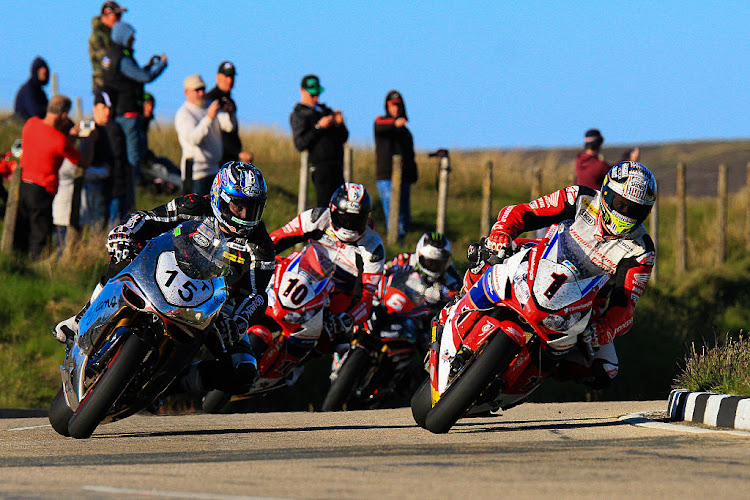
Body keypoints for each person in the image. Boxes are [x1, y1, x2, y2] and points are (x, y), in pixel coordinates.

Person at [53, 161, 276, 395]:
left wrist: (239, 319)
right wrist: (125, 232)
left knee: (244, 371)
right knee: (125, 250)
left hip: (214, 311)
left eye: (253, 208)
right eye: (238, 206)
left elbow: (256, 294)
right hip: (163, 273)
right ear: (220, 197)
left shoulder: (261, 246)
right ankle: (82, 317)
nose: (245, 215)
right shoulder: (193, 204)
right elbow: (147, 218)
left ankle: (173, 385)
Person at [468, 161, 657, 389]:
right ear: (606, 193)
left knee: (607, 369)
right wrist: (502, 231)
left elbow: (625, 305)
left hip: (584, 303)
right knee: (487, 256)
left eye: (634, 209)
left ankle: (540, 375)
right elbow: (526, 212)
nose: (624, 213)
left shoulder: (642, 250)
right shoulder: (580, 197)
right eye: (620, 204)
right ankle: (458, 305)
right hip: (542, 261)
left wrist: (606, 328)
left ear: (646, 212)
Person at [257, 183, 385, 372]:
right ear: (333, 211)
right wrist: (259, 254)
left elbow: (366, 297)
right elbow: (279, 237)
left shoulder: (373, 247)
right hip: (302, 273)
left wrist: (348, 318)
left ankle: (299, 367)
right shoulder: (317, 217)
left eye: (356, 220)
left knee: (335, 341)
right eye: (344, 218)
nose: (349, 225)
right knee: (254, 285)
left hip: (338, 293)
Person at [14, 95, 94, 259]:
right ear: (64, 115)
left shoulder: (31, 124)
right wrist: (90, 141)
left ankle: (17, 261)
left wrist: (69, 138)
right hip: (43, 191)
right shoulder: (60, 141)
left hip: (24, 185)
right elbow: (83, 163)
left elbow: (47, 143)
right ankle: (37, 267)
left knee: (21, 230)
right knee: (39, 235)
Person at [102, 20, 167, 209]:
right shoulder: (122, 58)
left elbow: (130, 76)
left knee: (121, 159)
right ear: (123, 37)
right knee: (132, 162)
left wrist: (146, 66)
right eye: (131, 37)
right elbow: (143, 77)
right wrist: (161, 65)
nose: (134, 40)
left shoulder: (111, 56)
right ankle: (130, 203)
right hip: (128, 115)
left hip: (118, 114)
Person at [384, 232, 461, 351]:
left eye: (438, 263)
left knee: (430, 341)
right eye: (430, 262)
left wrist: (444, 300)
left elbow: (458, 300)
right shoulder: (405, 260)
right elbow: (383, 271)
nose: (433, 266)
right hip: (397, 304)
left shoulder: (451, 277)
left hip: (425, 317)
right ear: (420, 255)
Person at [290, 74, 349, 207]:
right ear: (302, 91)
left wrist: (339, 123)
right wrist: (319, 127)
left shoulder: (326, 111)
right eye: (312, 94)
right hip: (320, 167)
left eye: (317, 94)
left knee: (341, 206)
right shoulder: (299, 114)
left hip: (338, 166)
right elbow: (300, 143)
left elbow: (344, 137)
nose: (316, 97)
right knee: (324, 207)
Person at [176, 74, 234, 196]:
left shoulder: (210, 105)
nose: (201, 93)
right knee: (195, 212)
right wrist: (209, 118)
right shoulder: (184, 113)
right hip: (196, 173)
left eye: (203, 89)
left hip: (214, 170)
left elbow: (229, 127)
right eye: (197, 90)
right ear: (186, 92)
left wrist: (229, 112)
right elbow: (193, 139)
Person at [374, 90, 418, 242]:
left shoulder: (405, 132)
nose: (396, 108)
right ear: (387, 106)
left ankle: (399, 246)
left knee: (404, 221)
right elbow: (379, 124)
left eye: (398, 105)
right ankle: (393, 245)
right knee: (394, 218)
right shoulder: (382, 122)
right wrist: (395, 123)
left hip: (404, 179)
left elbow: (410, 155)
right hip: (387, 177)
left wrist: (413, 174)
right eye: (393, 105)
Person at [205, 61, 253, 165]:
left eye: (232, 77)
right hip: (215, 161)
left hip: (230, 160)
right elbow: (219, 134)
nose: (229, 80)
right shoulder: (210, 100)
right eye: (226, 77)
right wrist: (238, 152)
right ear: (217, 77)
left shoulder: (230, 102)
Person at [575, 128, 639, 190]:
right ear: (599, 143)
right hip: (596, 200)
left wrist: (623, 159)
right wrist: (632, 162)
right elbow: (616, 173)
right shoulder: (600, 166)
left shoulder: (579, 159)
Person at [89, 1, 127, 92]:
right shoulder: (98, 36)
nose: (120, 19)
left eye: (120, 15)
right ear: (106, 13)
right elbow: (106, 59)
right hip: (103, 84)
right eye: (117, 15)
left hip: (115, 83)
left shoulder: (112, 34)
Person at [13, 57, 50, 124]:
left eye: (45, 69)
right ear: (35, 71)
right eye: (40, 69)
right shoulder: (28, 90)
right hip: (25, 126)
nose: (44, 71)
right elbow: (35, 113)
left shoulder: (40, 92)